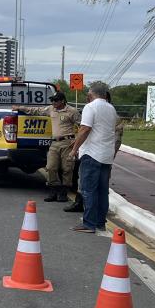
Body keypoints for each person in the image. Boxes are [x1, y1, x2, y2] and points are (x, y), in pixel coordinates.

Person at [67, 81, 120, 234]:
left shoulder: (90, 107)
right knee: (102, 191)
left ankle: (88, 224)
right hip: (106, 156)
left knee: (88, 190)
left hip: (92, 154)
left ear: (90, 95)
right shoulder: (111, 108)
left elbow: (84, 129)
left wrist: (74, 149)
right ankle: (99, 223)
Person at [19, 92, 79, 202]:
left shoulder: (72, 111)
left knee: (67, 168)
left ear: (62, 101)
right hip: (54, 143)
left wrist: (77, 140)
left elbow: (82, 125)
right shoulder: (51, 109)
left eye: (56, 100)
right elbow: (36, 110)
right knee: (51, 167)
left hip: (67, 143)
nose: (53, 102)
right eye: (52, 100)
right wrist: (20, 108)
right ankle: (54, 190)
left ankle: (63, 192)